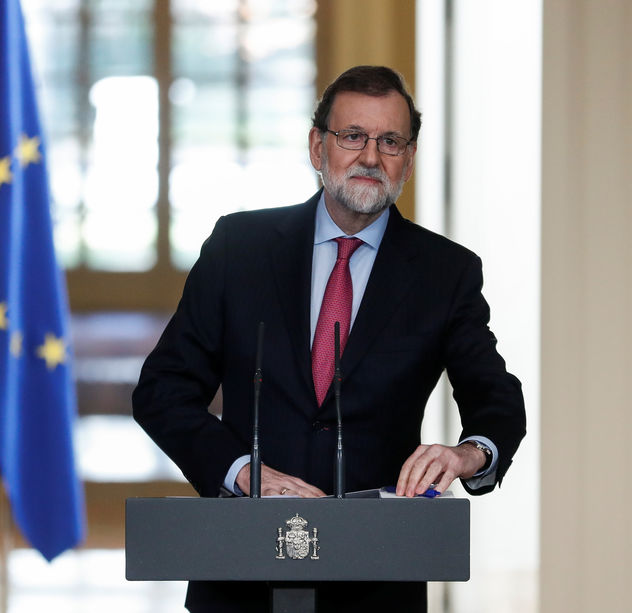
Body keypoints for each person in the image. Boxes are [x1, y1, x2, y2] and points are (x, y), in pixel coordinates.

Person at [132, 65, 526, 612]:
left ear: (408, 159)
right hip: (238, 574)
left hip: (379, 581)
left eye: (390, 141)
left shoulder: (445, 272)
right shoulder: (239, 247)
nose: (370, 156)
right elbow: (162, 390)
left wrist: (465, 454)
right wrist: (241, 471)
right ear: (318, 147)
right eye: (352, 137)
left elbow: (497, 401)